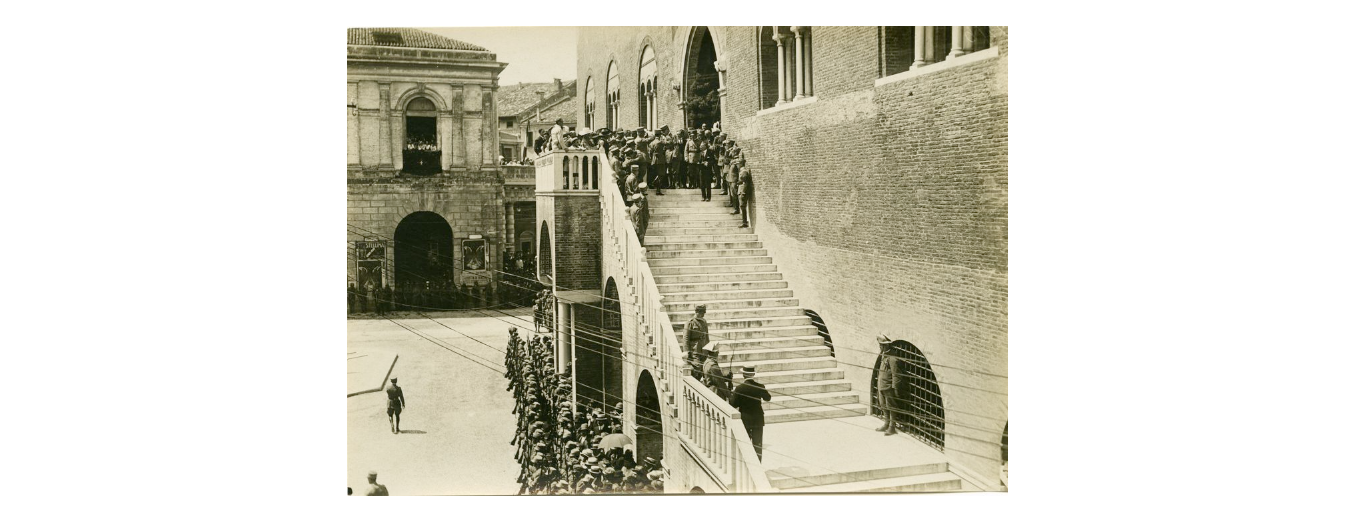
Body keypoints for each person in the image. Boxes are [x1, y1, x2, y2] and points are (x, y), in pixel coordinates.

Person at [729, 366, 772, 460]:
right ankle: (758, 464)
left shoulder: (739, 388)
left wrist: (731, 394)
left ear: (743, 375)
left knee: (746, 444)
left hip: (745, 418)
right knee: (757, 444)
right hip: (758, 419)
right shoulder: (760, 386)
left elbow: (733, 404)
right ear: (753, 374)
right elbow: (768, 398)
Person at [875, 334, 902, 436]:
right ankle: (886, 424)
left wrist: (895, 388)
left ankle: (892, 427)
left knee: (891, 407)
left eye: (881, 345)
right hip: (881, 385)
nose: (880, 347)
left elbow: (896, 375)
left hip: (888, 387)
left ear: (885, 346)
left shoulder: (892, 358)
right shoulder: (883, 355)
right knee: (883, 405)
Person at [685, 305, 710, 381]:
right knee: (697, 369)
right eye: (702, 312)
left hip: (704, 350)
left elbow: (707, 336)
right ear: (697, 312)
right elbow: (686, 338)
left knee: (704, 369)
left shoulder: (704, 321)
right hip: (695, 351)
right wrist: (687, 352)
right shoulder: (690, 322)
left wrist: (709, 349)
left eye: (704, 313)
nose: (703, 314)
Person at [737, 163, 753, 228]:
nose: (737, 165)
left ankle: (745, 222)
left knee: (743, 206)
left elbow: (746, 183)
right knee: (742, 206)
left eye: (738, 164)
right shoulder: (742, 171)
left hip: (743, 191)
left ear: (741, 164)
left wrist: (743, 192)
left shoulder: (744, 172)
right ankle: (744, 221)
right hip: (740, 190)